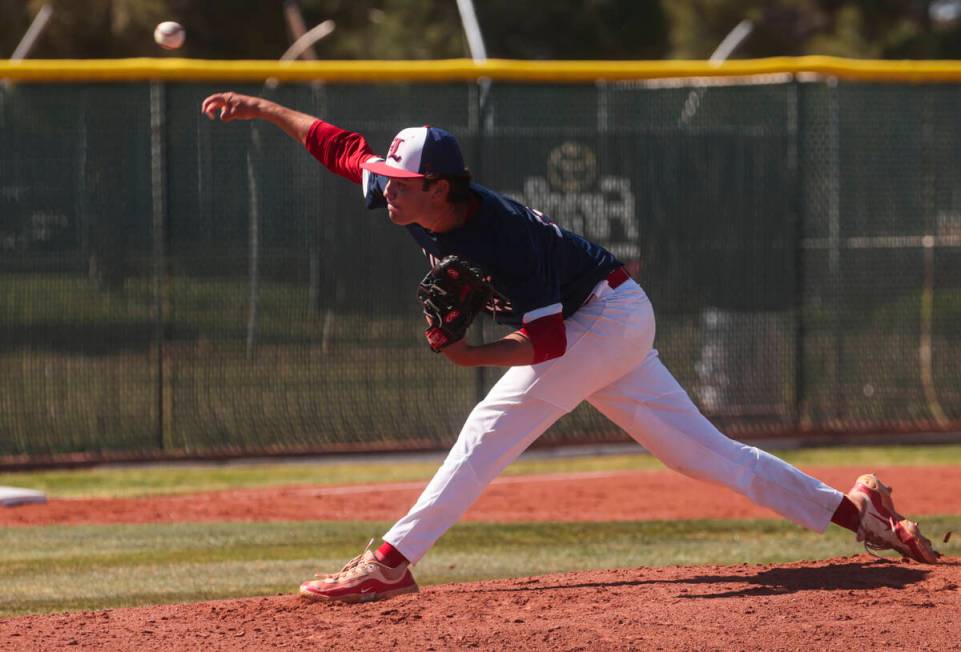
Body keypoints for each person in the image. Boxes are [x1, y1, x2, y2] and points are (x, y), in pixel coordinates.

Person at [200, 92, 940, 603]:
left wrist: (469, 357)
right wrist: (261, 108)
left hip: (603, 321)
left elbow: (547, 341)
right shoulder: (409, 197)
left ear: (439, 186)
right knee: (700, 456)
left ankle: (389, 563)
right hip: (609, 322)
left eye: (400, 184)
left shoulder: (501, 236)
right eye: (387, 181)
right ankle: (861, 516)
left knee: (490, 426)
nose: (384, 192)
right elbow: (338, 146)